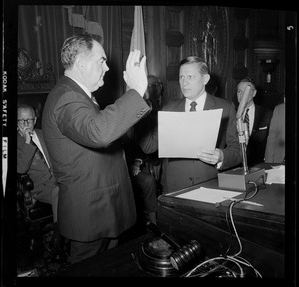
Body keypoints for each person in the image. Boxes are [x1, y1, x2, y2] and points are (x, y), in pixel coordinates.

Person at [41, 33, 150, 264]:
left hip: (104, 209)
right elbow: (98, 133)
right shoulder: (66, 97)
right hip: (90, 215)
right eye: (101, 60)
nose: (108, 67)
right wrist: (136, 90)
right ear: (81, 64)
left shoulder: (79, 94)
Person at [139, 56, 242, 194]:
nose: (184, 83)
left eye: (190, 77)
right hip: (175, 187)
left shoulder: (225, 108)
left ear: (205, 79)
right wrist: (138, 109)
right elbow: (149, 147)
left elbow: (239, 150)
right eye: (181, 77)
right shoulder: (169, 109)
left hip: (212, 186)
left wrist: (222, 156)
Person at [17, 104, 64, 260]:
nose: (25, 124)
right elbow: (21, 169)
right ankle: (58, 238)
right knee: (58, 191)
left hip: (58, 180)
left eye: (28, 120)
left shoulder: (43, 134)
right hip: (39, 188)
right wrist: (27, 141)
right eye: (21, 120)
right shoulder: (13, 142)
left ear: (35, 120)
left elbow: (58, 155)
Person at [236, 78, 273, 167]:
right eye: (239, 91)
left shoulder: (267, 114)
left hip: (259, 165)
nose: (241, 95)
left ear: (254, 93)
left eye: (246, 91)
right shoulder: (232, 113)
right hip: (236, 166)